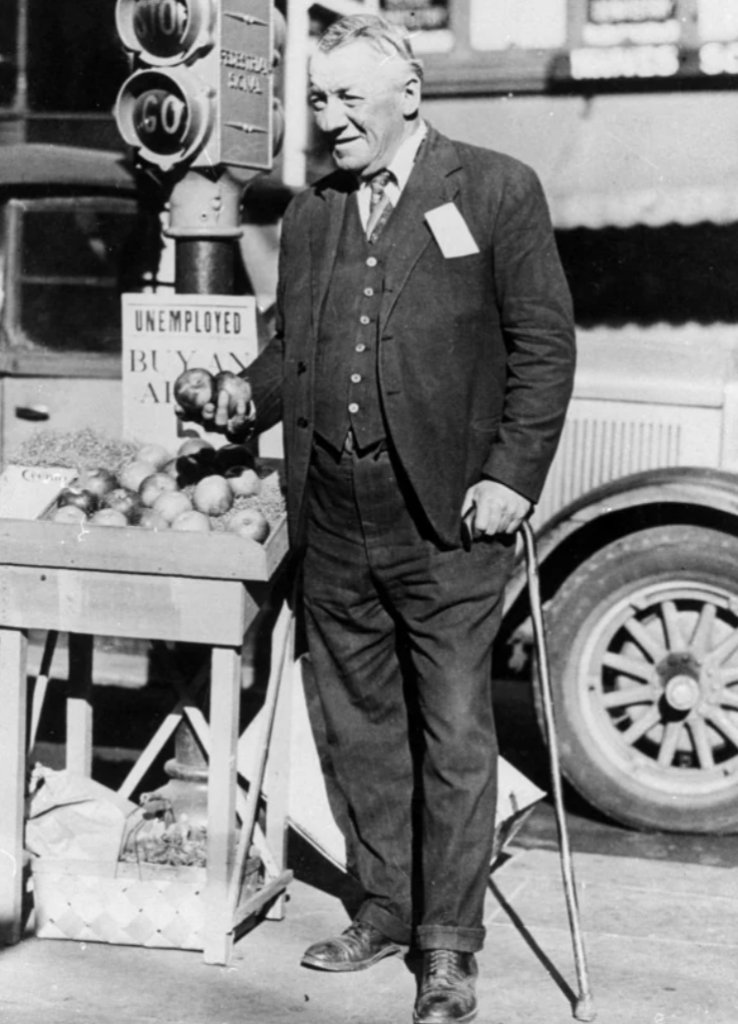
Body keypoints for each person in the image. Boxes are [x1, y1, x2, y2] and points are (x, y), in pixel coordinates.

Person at [180, 14, 575, 1024]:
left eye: (350, 96)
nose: (330, 117)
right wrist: (241, 397)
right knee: (353, 726)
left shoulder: (492, 190)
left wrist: (511, 474)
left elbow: (543, 348)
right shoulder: (313, 212)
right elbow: (292, 349)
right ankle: (388, 904)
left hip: (446, 520)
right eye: (318, 99)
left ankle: (447, 945)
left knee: (451, 729)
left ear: (409, 95)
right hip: (335, 514)